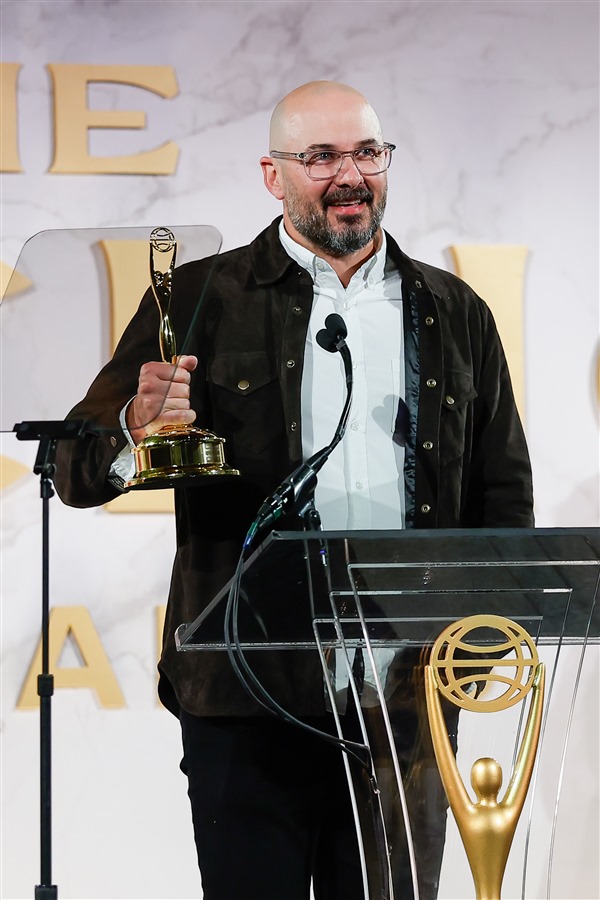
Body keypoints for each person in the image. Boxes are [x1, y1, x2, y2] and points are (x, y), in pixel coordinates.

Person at [55, 80, 534, 900]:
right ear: (273, 176)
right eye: (321, 157)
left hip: (402, 706)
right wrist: (135, 425)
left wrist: (474, 650)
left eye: (368, 153)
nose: (351, 175)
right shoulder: (201, 297)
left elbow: (504, 497)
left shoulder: (456, 311)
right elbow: (73, 467)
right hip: (246, 699)